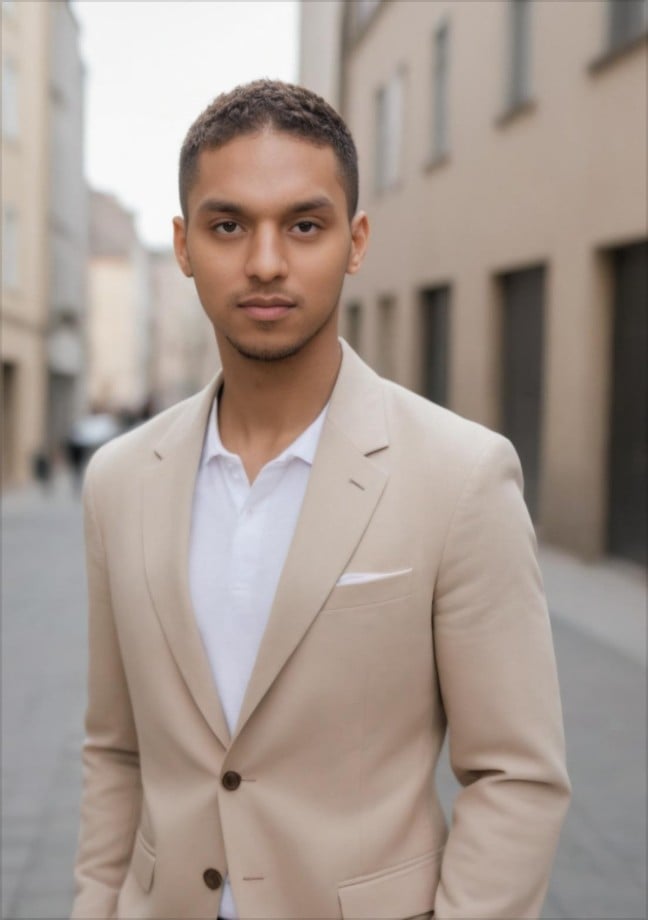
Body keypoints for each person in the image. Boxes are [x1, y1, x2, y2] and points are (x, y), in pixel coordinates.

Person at [71, 80, 570, 920]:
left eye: (304, 225)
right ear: (184, 244)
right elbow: (116, 753)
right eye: (229, 225)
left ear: (355, 240)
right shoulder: (119, 481)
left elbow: (514, 774)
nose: (266, 261)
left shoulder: (462, 474)